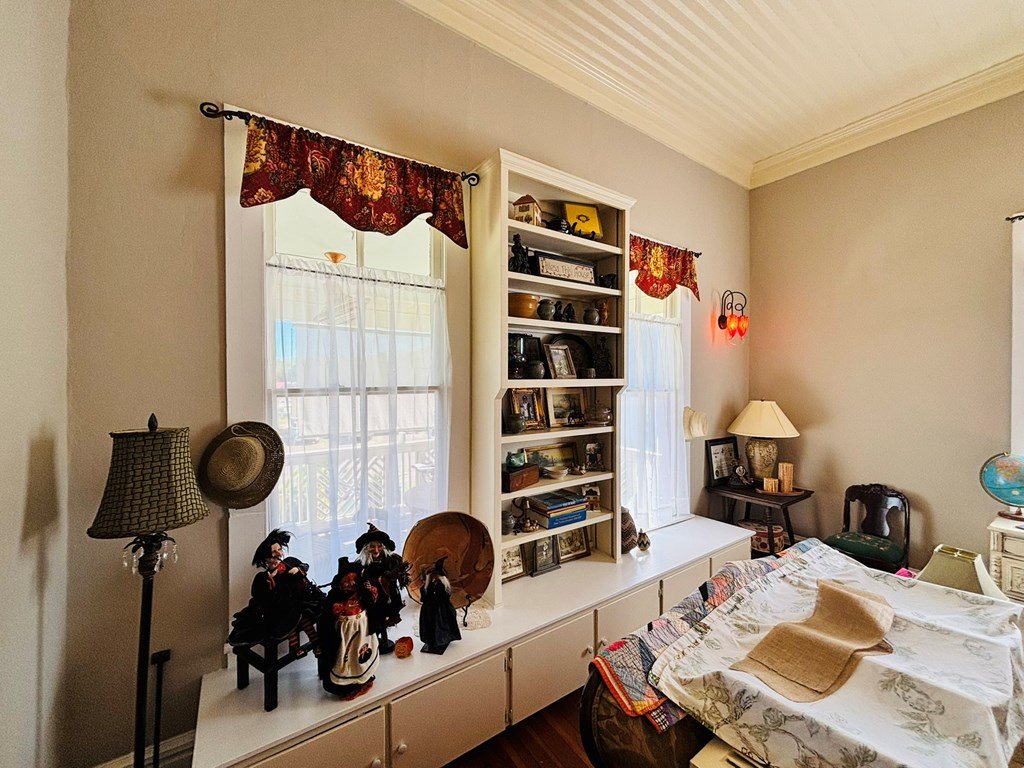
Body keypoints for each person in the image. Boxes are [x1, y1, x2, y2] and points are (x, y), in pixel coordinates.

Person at [228, 529, 323, 657]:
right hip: (279, 611)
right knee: (288, 625)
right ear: (266, 559)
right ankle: (295, 648)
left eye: (279, 550)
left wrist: (298, 569)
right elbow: (262, 599)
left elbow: (305, 566)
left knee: (305, 619)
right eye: (273, 552)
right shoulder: (262, 578)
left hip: (298, 603)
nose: (278, 554)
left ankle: (316, 643)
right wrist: (271, 588)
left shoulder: (289, 563)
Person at [318, 557, 378, 698]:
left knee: (362, 653)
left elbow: (373, 598)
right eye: (347, 581)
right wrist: (335, 610)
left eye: (354, 581)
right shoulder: (335, 596)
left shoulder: (362, 594)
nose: (350, 584)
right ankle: (346, 683)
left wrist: (369, 590)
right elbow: (327, 616)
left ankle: (364, 675)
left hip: (363, 630)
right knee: (346, 657)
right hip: (345, 632)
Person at [356, 523, 410, 654]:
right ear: (366, 548)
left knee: (386, 618)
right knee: (374, 620)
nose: (376, 550)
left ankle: (384, 639)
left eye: (379, 546)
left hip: (388, 596)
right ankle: (375, 640)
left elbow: (401, 577)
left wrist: (398, 576)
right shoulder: (361, 564)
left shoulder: (391, 560)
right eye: (372, 546)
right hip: (371, 599)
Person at [419, 556, 461, 655]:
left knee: (440, 625)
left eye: (435, 576)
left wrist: (436, 599)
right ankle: (432, 641)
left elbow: (445, 596)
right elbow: (424, 598)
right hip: (429, 609)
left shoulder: (442, 586)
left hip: (441, 610)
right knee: (430, 626)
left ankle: (441, 640)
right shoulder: (427, 586)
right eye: (432, 576)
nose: (434, 578)